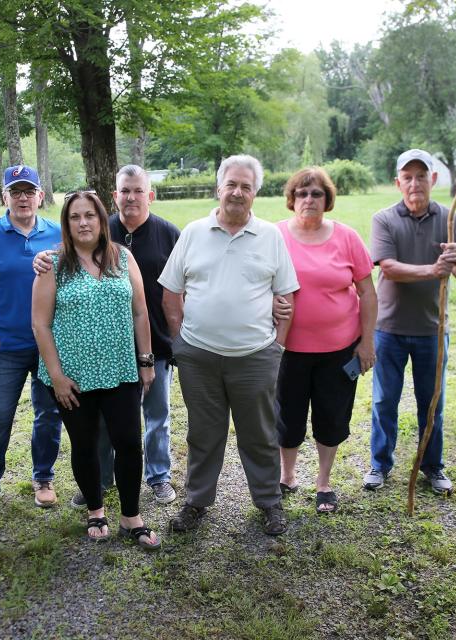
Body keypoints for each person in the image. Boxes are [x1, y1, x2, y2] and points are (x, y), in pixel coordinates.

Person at [159, 154, 299, 536]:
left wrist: (277, 348)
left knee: (260, 433)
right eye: (231, 184)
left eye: (246, 186)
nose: (238, 192)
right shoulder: (193, 232)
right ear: (218, 187)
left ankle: (269, 501)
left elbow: (287, 296)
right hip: (198, 357)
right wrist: (181, 342)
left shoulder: (270, 235)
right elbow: (171, 293)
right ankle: (196, 502)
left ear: (256, 193)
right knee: (203, 433)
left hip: (255, 356)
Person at [34, 165, 181, 506]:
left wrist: (168, 343)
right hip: (98, 358)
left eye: (138, 191)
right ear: (114, 198)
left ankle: (158, 477)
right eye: (125, 191)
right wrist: (42, 258)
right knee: (99, 425)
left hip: (152, 346)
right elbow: (59, 261)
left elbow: (170, 293)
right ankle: (100, 481)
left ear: (149, 195)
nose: (131, 197)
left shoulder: (168, 234)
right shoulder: (99, 229)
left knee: (155, 417)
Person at [363, 149, 456, 494]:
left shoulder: (450, 219)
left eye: (421, 176)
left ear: (433, 180)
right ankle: (380, 465)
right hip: (389, 330)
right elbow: (389, 267)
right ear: (398, 183)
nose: (415, 184)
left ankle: (432, 466)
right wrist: (434, 269)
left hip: (432, 329)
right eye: (407, 177)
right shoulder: (384, 219)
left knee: (432, 402)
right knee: (384, 401)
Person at [0, 165, 64, 519]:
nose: (22, 198)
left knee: (49, 415)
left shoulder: (57, 232)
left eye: (28, 191)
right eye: (15, 191)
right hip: (6, 347)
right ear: (5, 196)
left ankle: (44, 478)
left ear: (40, 195)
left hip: (49, 344)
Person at [273, 167, 377, 514]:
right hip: (287, 351)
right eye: (302, 194)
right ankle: (287, 476)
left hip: (339, 351)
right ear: (291, 199)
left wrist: (367, 342)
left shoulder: (347, 237)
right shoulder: (275, 236)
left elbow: (367, 292)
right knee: (287, 417)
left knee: (332, 416)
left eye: (316, 193)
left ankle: (324, 482)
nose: (308, 200)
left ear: (327, 199)